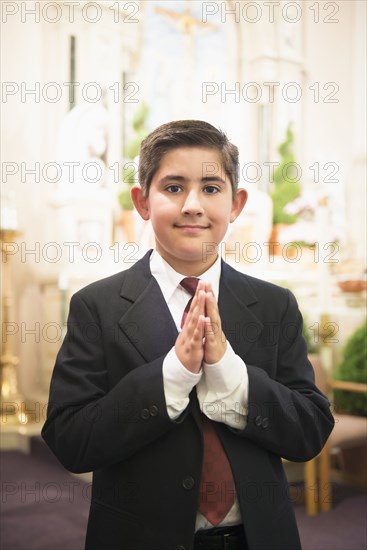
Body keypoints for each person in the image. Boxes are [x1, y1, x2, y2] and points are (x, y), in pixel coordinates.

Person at [42, 120, 334, 550]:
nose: (193, 205)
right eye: (174, 188)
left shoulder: (275, 306)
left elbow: (309, 430)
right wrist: (171, 376)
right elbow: (70, 440)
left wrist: (233, 377)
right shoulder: (96, 307)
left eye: (211, 189)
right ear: (142, 201)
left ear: (237, 204)